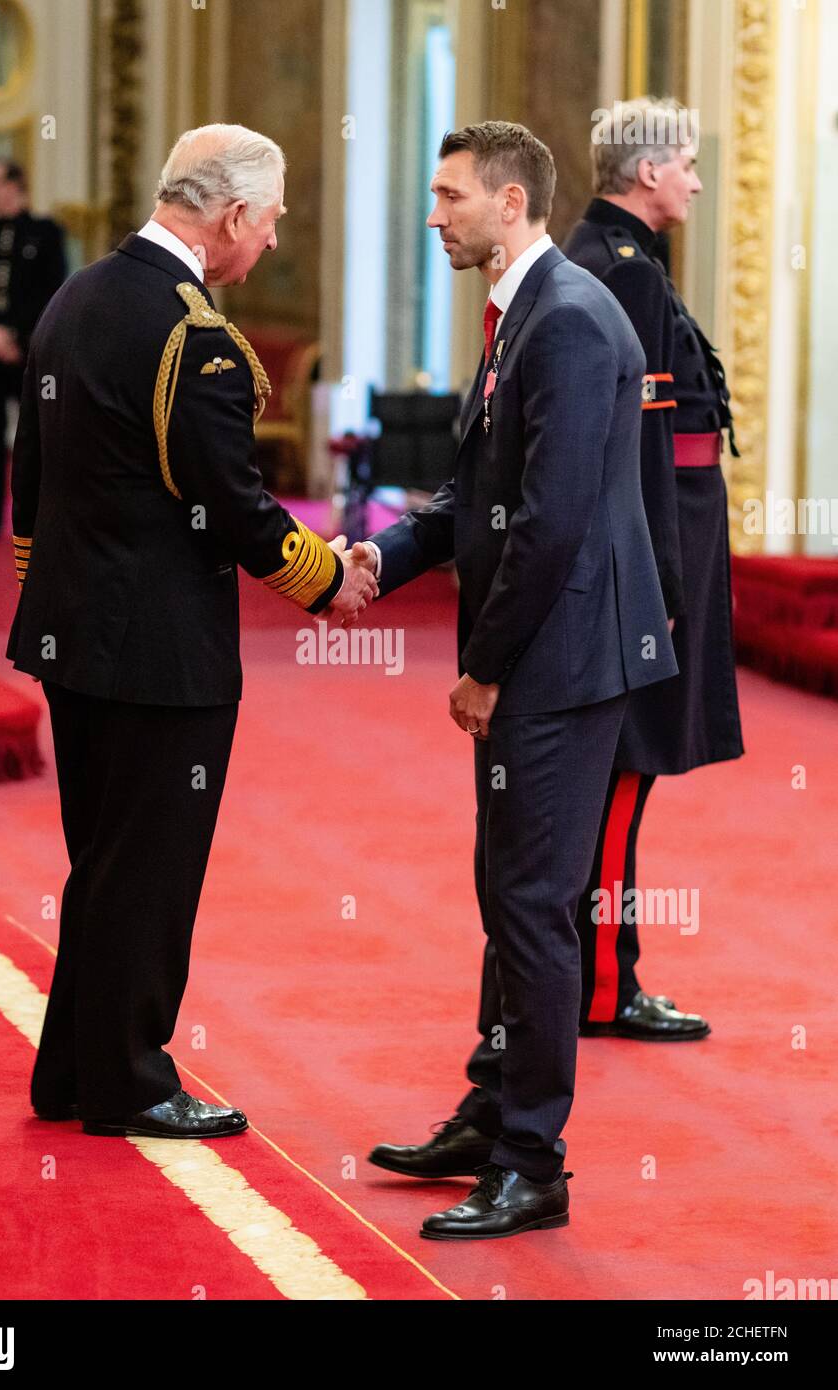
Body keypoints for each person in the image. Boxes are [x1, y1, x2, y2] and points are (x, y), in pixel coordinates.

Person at [6, 124, 376, 1141]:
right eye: (273, 217)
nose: (272, 237)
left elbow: (27, 474)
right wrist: (325, 578)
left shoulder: (76, 295)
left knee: (106, 860)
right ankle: (130, 1078)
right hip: (160, 651)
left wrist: (49, 601)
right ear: (231, 216)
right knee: (151, 869)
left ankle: (73, 1070)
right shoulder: (192, 333)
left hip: (73, 637)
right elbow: (234, 502)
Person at [357, 122, 677, 1239]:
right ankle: (493, 1113)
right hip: (549, 648)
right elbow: (470, 494)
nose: (434, 214)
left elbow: (550, 522)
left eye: (448, 195)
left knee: (535, 908)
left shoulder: (573, 321)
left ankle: (533, 1160)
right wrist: (376, 562)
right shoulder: (521, 316)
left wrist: (486, 667)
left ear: (510, 199)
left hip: (564, 658)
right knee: (512, 895)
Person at [556, 97, 742, 1040]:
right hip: (653, 559)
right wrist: (662, 585)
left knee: (626, 780)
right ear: (647, 172)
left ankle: (607, 976)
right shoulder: (619, 274)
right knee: (625, 775)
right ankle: (602, 986)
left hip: (664, 548)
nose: (697, 182)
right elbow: (636, 447)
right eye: (688, 164)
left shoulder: (620, 262)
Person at [0, 160, 66, 539]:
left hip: (28, 355)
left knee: (36, 439)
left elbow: (53, 291)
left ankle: (37, 518)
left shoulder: (46, 233)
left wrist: (18, 337)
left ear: (16, 187)